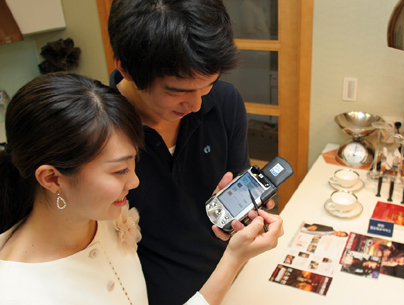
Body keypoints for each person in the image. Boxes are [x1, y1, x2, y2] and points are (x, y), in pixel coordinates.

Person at [0, 73, 284, 304]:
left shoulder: (104, 220)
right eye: (120, 170)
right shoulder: (18, 291)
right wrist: (234, 259)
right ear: (51, 178)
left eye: (134, 163)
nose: (135, 182)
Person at [107, 1, 276, 304]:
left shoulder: (225, 102)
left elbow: (238, 183)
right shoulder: (99, 131)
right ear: (126, 68)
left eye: (208, 85)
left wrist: (249, 218)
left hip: (230, 276)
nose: (197, 105)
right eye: (177, 91)